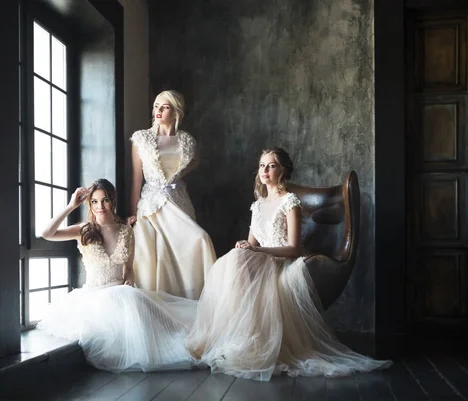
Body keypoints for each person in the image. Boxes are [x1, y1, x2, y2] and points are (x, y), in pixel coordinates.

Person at [185, 148, 392, 381]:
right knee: (233, 259)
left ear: (282, 171)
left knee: (238, 262)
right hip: (262, 258)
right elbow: (252, 242)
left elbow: (294, 248)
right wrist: (245, 245)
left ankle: (253, 343)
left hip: (284, 262)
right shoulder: (259, 204)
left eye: (272, 165)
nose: (265, 170)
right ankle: (235, 338)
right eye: (262, 165)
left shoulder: (290, 202)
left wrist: (257, 250)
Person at [36, 179, 201, 373]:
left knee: (169, 327)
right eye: (94, 201)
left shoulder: (126, 231)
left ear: (113, 201)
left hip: (121, 292)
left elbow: (129, 269)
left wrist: (129, 280)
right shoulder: (83, 230)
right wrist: (71, 206)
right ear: (89, 204)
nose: (100, 207)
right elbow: (46, 233)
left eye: (105, 200)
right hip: (93, 298)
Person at [127, 90, 216, 300]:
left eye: (164, 107)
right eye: (156, 105)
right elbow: (136, 181)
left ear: (176, 112)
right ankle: (159, 305)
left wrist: (177, 179)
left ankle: (196, 301)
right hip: (151, 207)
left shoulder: (187, 141)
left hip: (178, 203)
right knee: (156, 254)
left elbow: (194, 163)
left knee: (200, 239)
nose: (158, 110)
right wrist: (132, 215)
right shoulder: (142, 139)